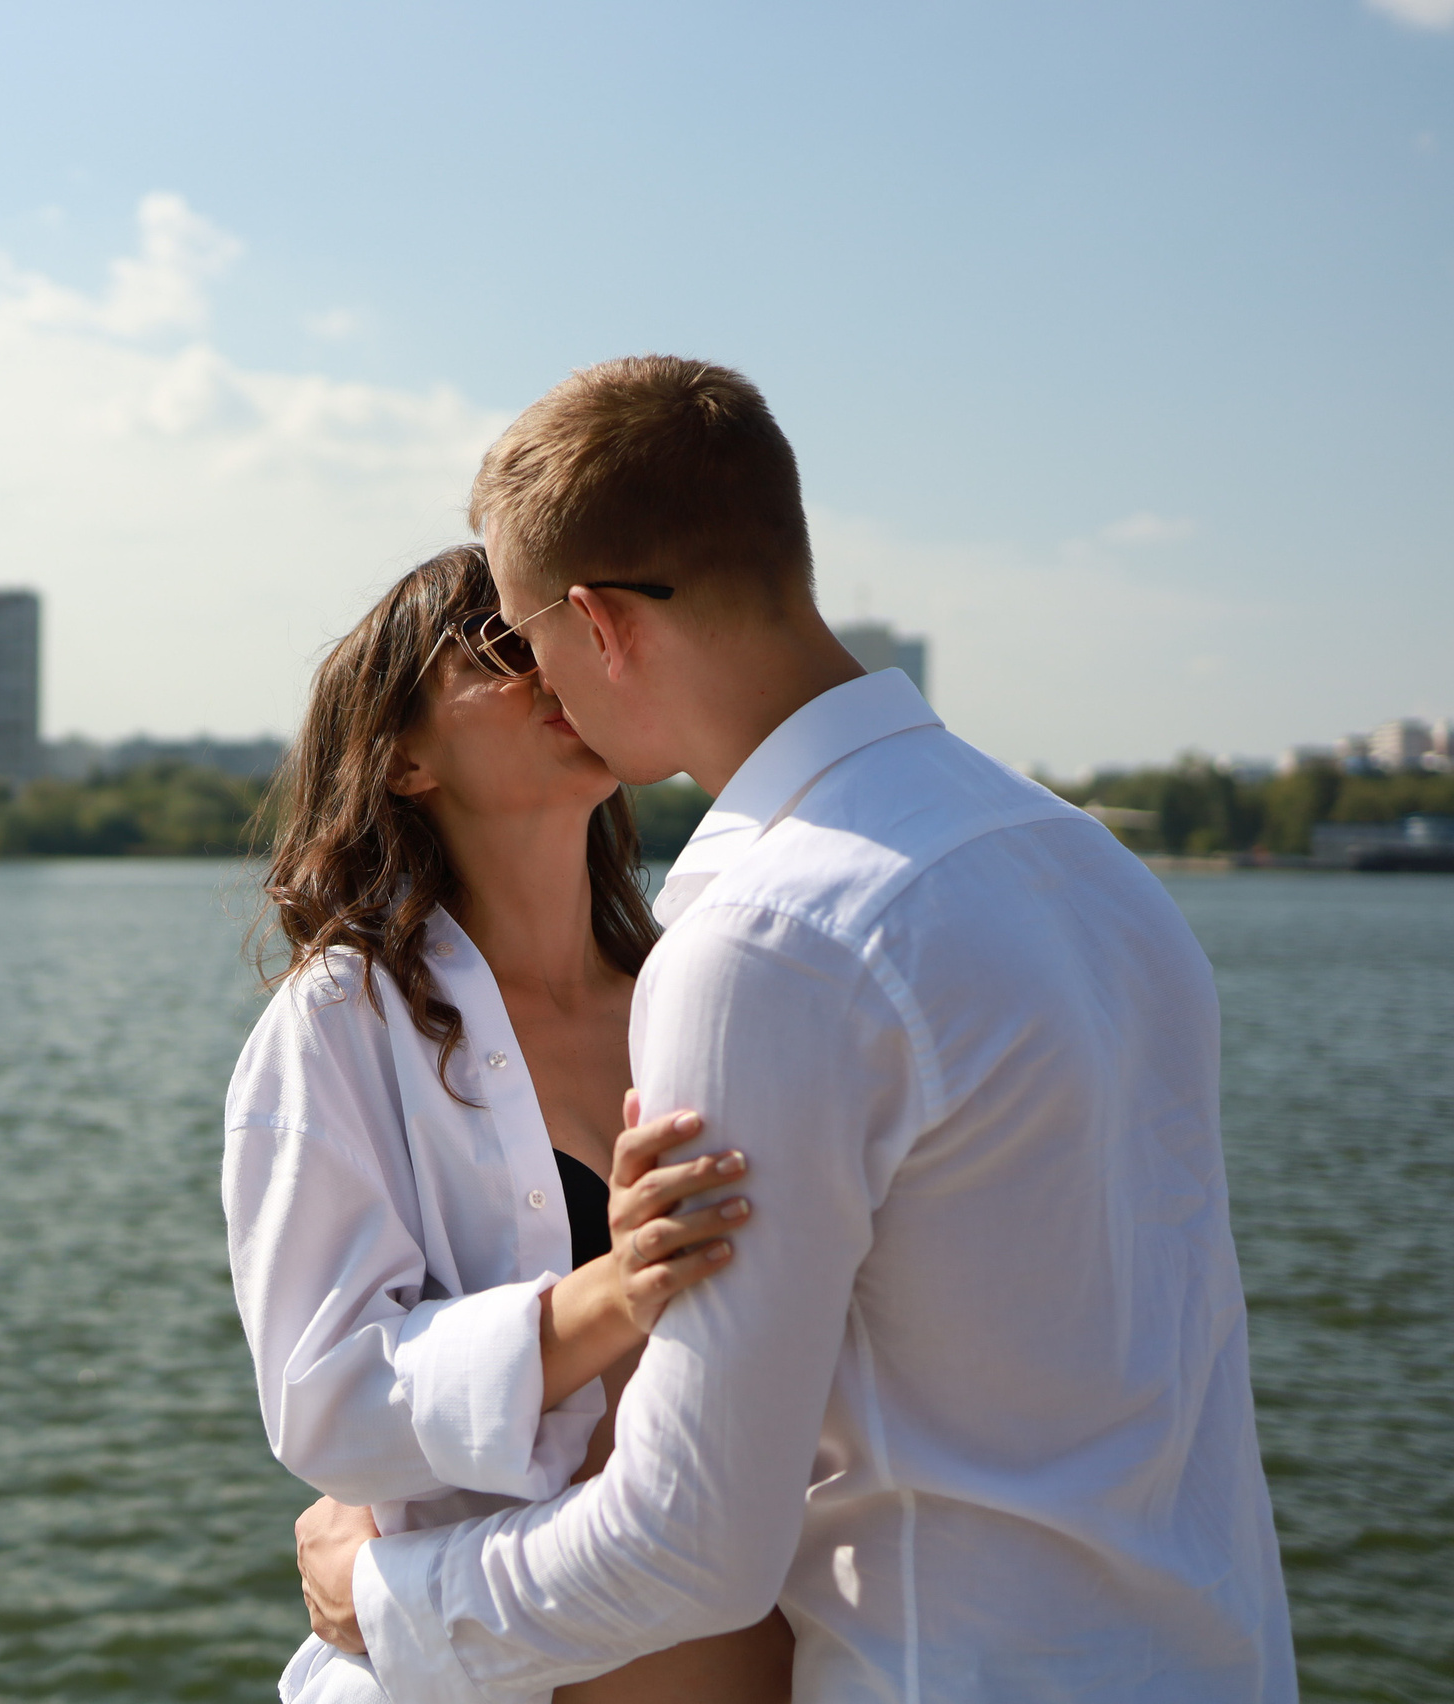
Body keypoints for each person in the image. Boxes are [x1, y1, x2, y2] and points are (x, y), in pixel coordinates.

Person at [292, 357, 1295, 1702]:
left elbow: (688, 1545)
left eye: (525, 644)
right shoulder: (1087, 868)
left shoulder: (766, 941)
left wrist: (379, 1595)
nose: (539, 688)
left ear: (597, 625)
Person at [225, 543, 793, 1704]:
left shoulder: (703, 987)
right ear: (400, 759)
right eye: (500, 646)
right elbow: (324, 1399)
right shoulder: (343, 1019)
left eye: (564, 634)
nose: (553, 666)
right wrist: (614, 1287)